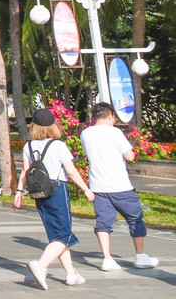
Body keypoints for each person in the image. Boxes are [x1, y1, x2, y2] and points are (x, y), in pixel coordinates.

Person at [14, 107, 93, 289]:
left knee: (56, 234)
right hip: (57, 190)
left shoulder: (29, 146)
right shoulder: (59, 146)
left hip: (38, 192)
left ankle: (71, 273)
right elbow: (71, 172)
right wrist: (86, 189)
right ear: (53, 125)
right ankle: (40, 266)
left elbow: (25, 171)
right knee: (63, 234)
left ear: (33, 126)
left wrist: (19, 192)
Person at [80, 102, 161, 271]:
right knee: (135, 218)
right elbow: (130, 156)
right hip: (120, 186)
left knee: (103, 222)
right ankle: (140, 256)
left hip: (98, 186)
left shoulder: (85, 134)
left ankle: (107, 259)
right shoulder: (115, 132)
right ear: (110, 116)